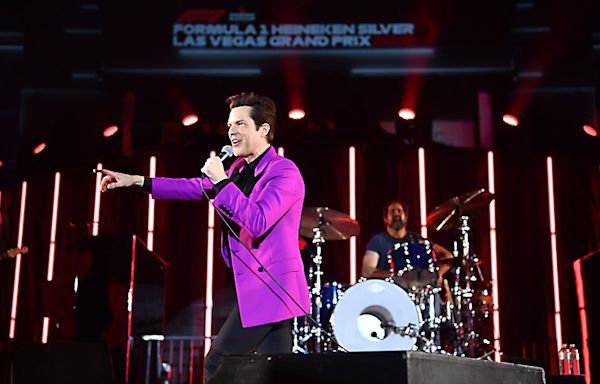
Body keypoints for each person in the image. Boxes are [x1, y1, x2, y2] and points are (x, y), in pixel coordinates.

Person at [100, 92, 310, 382]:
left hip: (273, 288)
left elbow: (258, 221)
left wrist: (222, 181)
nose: (232, 132)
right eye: (229, 125)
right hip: (257, 287)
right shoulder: (238, 169)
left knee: (217, 363)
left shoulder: (284, 172)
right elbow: (193, 187)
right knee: (275, 373)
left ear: (263, 130)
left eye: (240, 124)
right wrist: (138, 181)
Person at [361, 200, 454, 285]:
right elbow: (367, 271)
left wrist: (436, 274)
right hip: (390, 289)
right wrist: (398, 277)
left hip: (417, 290)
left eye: (399, 211)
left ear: (405, 218)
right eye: (392, 211)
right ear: (385, 219)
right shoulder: (378, 240)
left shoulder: (416, 239)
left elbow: (448, 256)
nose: (396, 214)